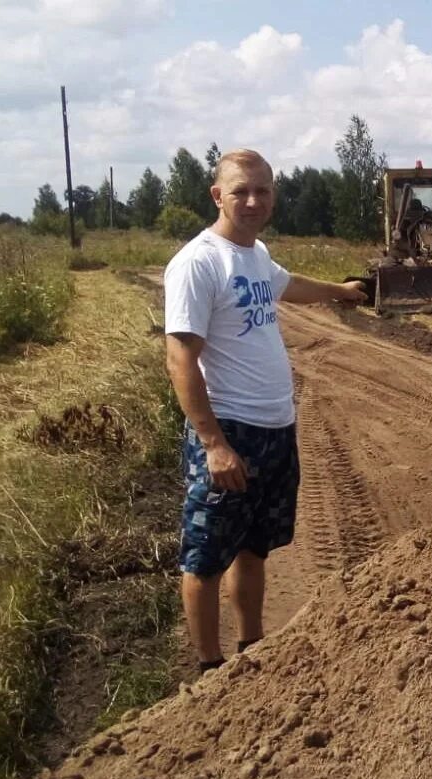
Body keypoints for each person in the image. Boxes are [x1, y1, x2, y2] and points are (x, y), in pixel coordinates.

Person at [163, 148, 366, 675]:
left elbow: (288, 284)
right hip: (230, 431)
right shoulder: (197, 263)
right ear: (217, 196)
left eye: (263, 190)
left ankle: (252, 653)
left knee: (254, 549)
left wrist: (341, 292)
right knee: (205, 556)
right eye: (240, 191)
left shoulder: (254, 255)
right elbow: (180, 358)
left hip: (276, 429)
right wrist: (213, 445)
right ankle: (209, 669)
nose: (253, 200)